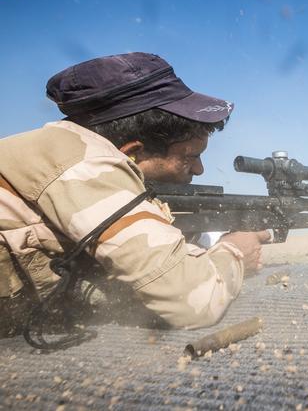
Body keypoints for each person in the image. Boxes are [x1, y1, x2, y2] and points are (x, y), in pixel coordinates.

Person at [0, 52, 270, 339]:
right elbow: (194, 301)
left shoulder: (63, 147)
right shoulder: (83, 166)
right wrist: (235, 249)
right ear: (132, 151)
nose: (200, 170)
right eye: (189, 157)